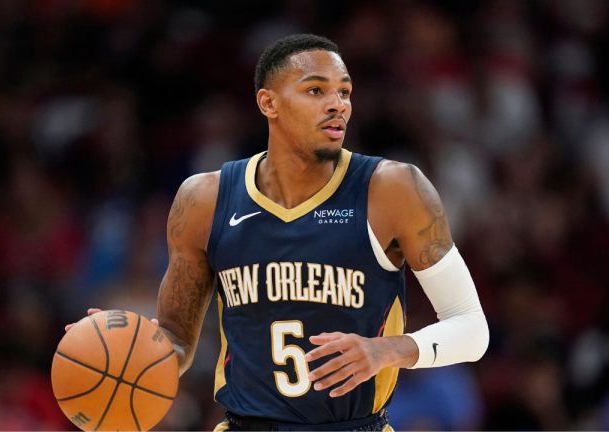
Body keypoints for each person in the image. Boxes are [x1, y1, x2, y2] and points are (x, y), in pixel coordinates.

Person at [69, 33, 489, 431]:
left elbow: (472, 327)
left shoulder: (393, 189)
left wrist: (387, 349)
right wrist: (125, 350)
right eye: (316, 90)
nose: (337, 104)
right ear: (268, 102)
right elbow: (177, 340)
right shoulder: (205, 200)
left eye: (344, 92)